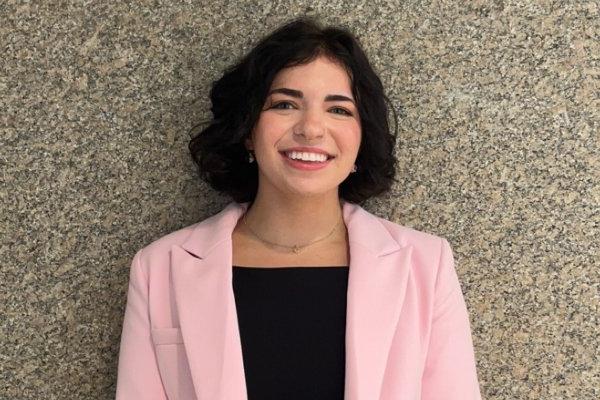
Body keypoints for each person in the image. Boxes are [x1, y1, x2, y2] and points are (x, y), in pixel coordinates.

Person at [115, 16, 482, 400]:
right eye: (285, 104)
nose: (311, 128)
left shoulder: (425, 265)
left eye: (339, 109)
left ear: (361, 139)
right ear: (248, 133)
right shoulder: (160, 269)